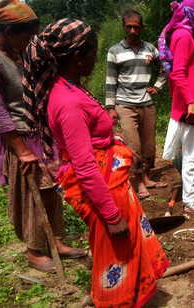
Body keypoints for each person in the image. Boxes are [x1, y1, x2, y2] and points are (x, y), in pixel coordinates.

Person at [23, 18, 169, 307]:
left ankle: (130, 294)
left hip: (108, 180)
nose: (95, 59)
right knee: (115, 252)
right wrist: (113, 217)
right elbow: (85, 166)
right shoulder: (68, 103)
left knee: (122, 250)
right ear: (77, 57)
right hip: (102, 188)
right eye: (93, 53)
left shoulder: (68, 87)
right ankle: (116, 300)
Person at [0, 0, 86, 273]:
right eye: (27, 36)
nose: (31, 42)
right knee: (30, 194)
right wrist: (21, 150)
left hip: (41, 133)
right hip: (18, 138)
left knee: (52, 189)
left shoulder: (23, 51)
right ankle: (34, 251)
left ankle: (58, 242)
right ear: (7, 31)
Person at [159, 0, 194, 215]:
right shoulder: (184, 36)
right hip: (187, 105)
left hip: (186, 102)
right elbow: (178, 72)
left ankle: (191, 193)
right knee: (191, 154)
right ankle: (190, 200)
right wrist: (190, 102)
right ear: (192, 16)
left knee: (191, 152)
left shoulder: (179, 35)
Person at [106, 10, 167, 200]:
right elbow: (110, 80)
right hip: (125, 104)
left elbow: (164, 69)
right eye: (129, 26)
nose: (132, 30)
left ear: (142, 27)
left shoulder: (150, 49)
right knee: (133, 145)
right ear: (124, 27)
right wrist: (110, 107)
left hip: (147, 103)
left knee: (149, 145)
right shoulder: (115, 51)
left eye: (136, 26)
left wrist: (157, 87)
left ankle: (147, 178)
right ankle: (139, 182)